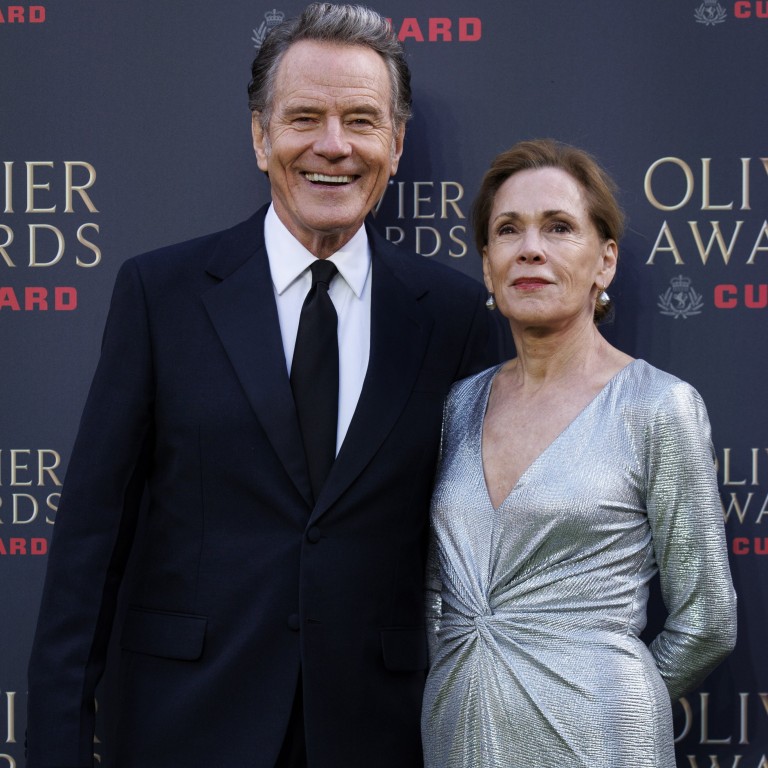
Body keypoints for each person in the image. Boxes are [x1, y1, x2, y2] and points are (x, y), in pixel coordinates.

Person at [26, 5, 506, 767]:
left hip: (380, 734)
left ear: (397, 142)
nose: (333, 146)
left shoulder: (454, 318)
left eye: (361, 120)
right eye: (304, 117)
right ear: (260, 136)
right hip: (185, 727)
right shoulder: (162, 295)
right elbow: (91, 540)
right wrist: (53, 746)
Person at [421, 139, 737, 767]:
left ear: (605, 261)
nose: (530, 248)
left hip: (601, 745)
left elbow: (708, 618)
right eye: (508, 230)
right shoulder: (459, 405)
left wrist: (609, 701)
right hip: (456, 738)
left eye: (559, 227)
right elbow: (438, 593)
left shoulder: (656, 406)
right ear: (487, 265)